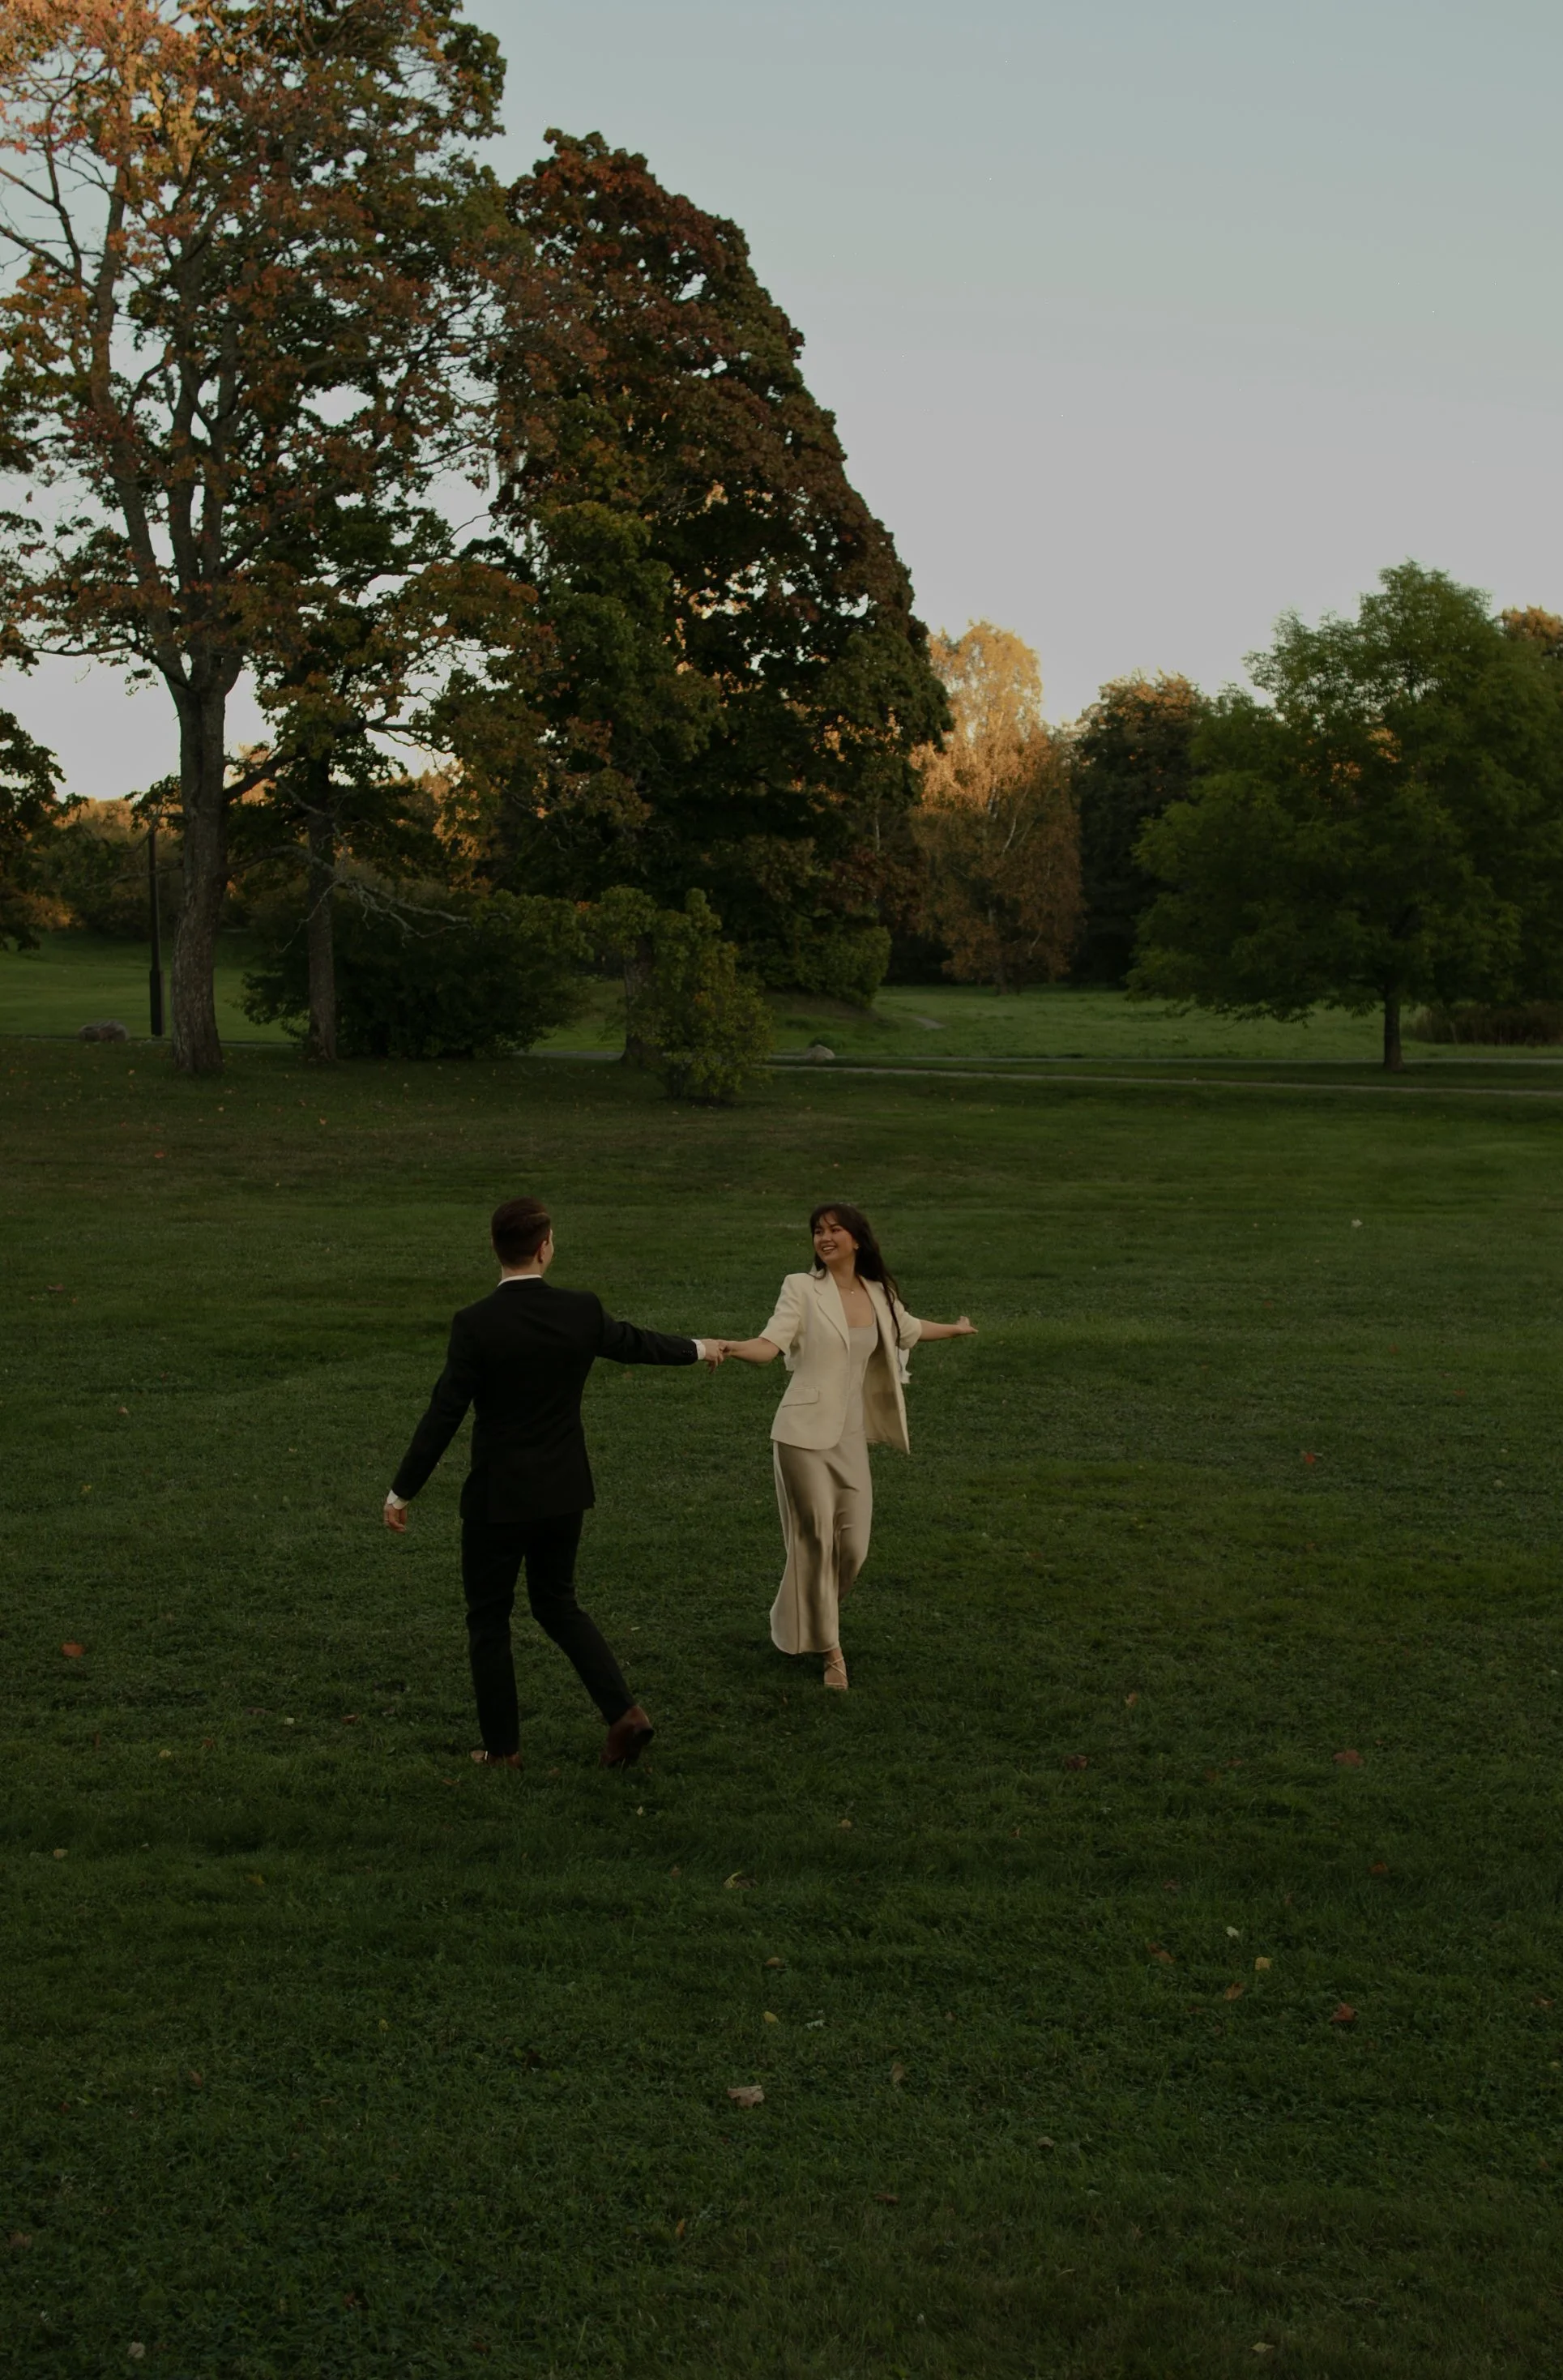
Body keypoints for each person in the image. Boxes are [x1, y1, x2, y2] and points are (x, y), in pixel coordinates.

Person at [383, 1197, 724, 1769]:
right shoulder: (580, 1310)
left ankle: (502, 1750)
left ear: (496, 1248)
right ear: (544, 1247)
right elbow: (635, 1344)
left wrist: (402, 1490)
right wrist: (700, 1348)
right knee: (558, 1603)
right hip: (565, 1492)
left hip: (497, 1501)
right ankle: (624, 1713)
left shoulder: (475, 1323)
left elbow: (444, 1412)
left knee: (489, 1619)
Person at [720, 1203, 976, 1690]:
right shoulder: (801, 1287)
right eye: (818, 1231)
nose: (825, 1237)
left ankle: (797, 1617)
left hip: (850, 1437)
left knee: (853, 1549)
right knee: (816, 1540)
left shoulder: (878, 1293)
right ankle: (831, 1651)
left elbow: (910, 1330)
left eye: (835, 1229)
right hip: (800, 1434)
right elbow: (770, 1344)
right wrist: (732, 1348)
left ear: (857, 1239)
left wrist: (957, 1330)